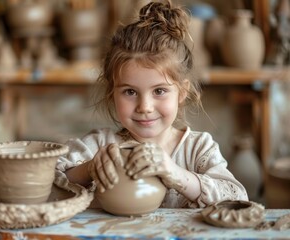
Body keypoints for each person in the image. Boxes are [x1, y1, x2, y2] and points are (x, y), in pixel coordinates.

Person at [56, 0, 248, 208]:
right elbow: (45, 184)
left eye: (159, 91)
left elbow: (238, 199)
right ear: (113, 93)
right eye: (130, 92)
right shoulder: (99, 146)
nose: (145, 107)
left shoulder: (198, 149)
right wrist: (88, 169)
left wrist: (176, 174)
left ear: (182, 92)